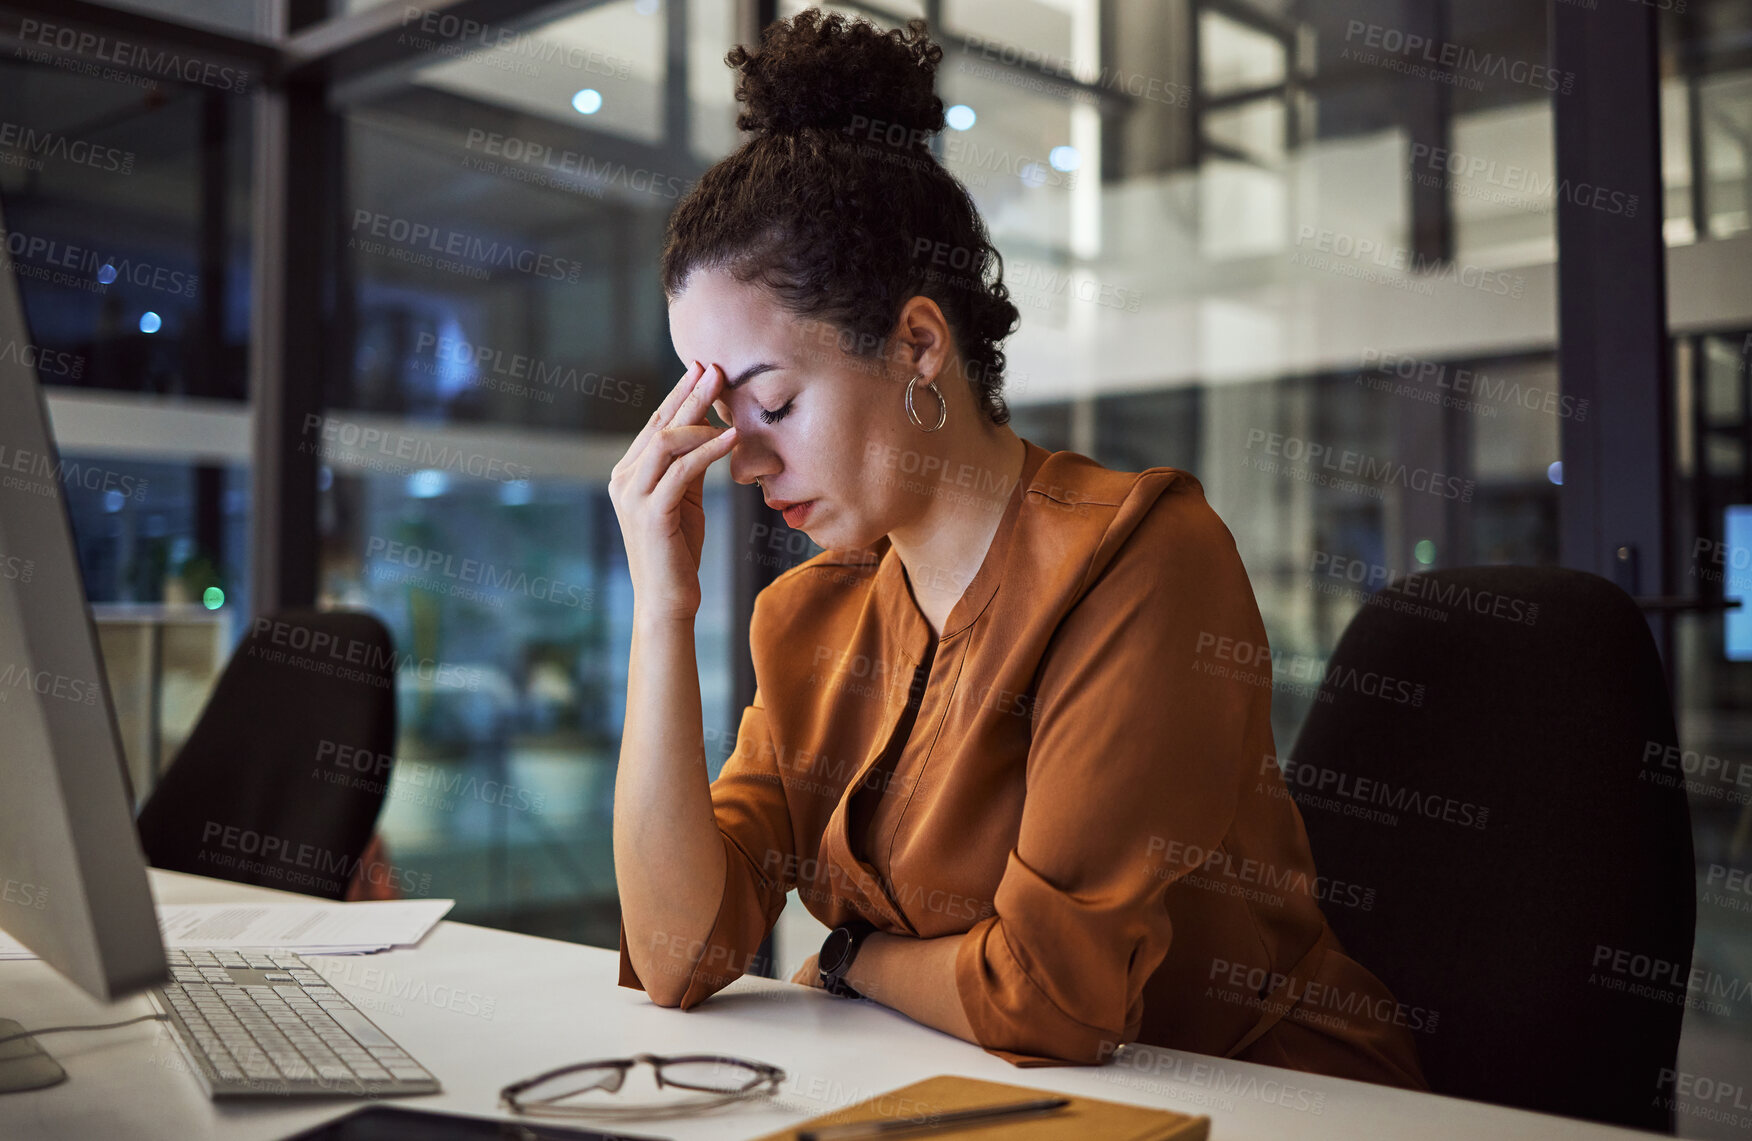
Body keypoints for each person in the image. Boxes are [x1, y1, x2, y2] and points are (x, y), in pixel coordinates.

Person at [609, 7, 1427, 1090]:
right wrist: (662, 614)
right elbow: (676, 957)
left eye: (773, 403)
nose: (744, 460)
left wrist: (854, 956)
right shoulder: (806, 618)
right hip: (983, 1092)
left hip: (1261, 1100)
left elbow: (1051, 997)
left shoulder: (1142, 558)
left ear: (917, 343)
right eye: (719, 416)